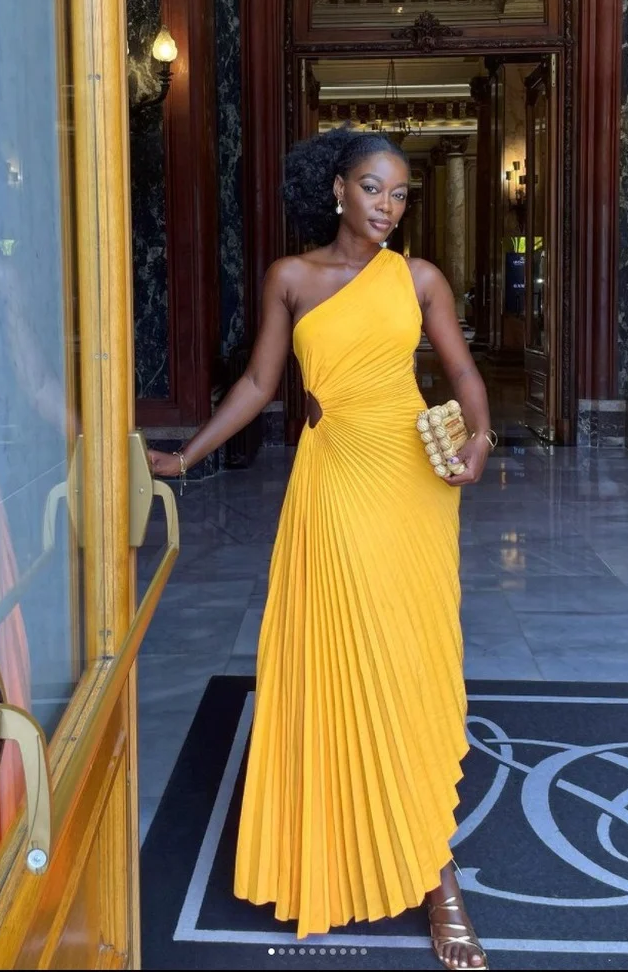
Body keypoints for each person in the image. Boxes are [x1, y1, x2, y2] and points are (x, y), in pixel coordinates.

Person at [149, 125, 494, 970]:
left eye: (402, 193)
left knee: (408, 662)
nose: (388, 206)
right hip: (333, 481)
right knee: (345, 656)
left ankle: (435, 872)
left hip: (410, 483)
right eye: (374, 188)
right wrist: (187, 455)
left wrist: (480, 436)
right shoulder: (291, 278)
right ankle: (343, 840)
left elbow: (463, 375)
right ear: (338, 188)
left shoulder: (419, 280)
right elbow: (264, 384)